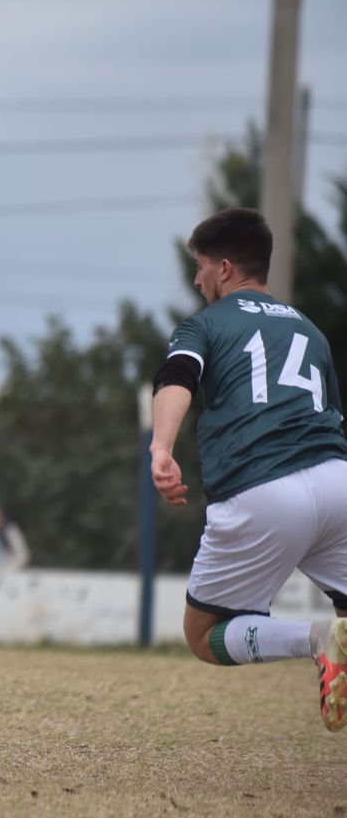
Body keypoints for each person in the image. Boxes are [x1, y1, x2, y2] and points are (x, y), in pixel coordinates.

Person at [150, 207, 347, 731]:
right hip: (337, 483)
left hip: (261, 489)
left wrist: (160, 448)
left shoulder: (206, 324)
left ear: (226, 267)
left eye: (201, 266)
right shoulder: (311, 331)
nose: (197, 279)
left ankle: (314, 641)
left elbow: (177, 375)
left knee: (204, 634)